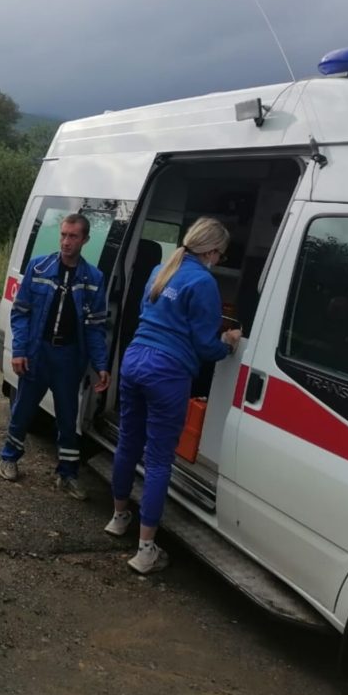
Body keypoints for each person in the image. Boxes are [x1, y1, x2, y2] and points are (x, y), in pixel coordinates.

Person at [105, 217, 242, 574]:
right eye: (221, 254)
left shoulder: (160, 268)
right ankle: (145, 549)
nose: (219, 260)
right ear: (212, 251)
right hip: (167, 372)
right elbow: (203, 344)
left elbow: (146, 315)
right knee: (159, 460)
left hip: (134, 360)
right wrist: (226, 345)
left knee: (128, 444)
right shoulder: (204, 282)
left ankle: (119, 518)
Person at [0, 213, 111, 499]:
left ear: (85, 240)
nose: (66, 241)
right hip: (38, 352)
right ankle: (9, 457)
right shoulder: (39, 266)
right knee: (23, 409)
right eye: (63, 235)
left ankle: (67, 474)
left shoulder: (94, 278)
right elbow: (21, 312)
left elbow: (97, 327)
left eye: (73, 236)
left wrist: (100, 365)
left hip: (69, 358)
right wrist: (20, 350)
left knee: (67, 418)